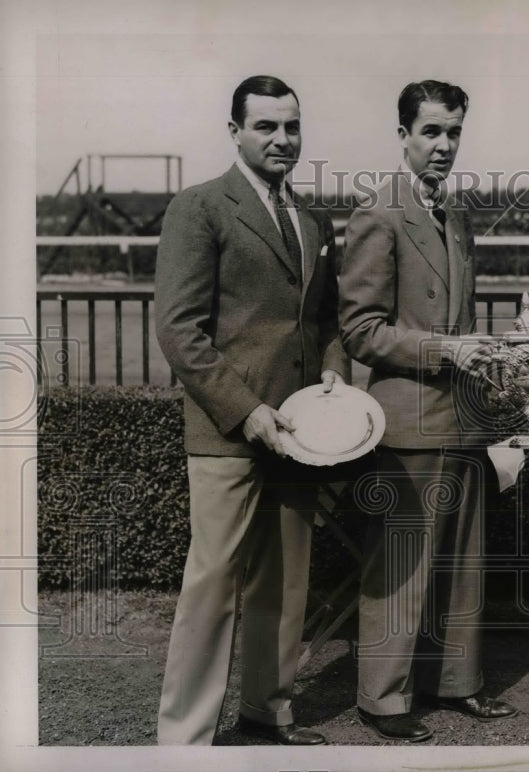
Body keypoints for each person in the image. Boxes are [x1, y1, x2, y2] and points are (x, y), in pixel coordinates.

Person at [155, 75, 349, 745]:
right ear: (234, 130)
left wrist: (332, 378)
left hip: (299, 433)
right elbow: (180, 331)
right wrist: (247, 411)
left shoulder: (309, 219)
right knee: (211, 587)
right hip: (228, 434)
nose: (283, 139)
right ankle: (185, 740)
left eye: (292, 126)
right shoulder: (200, 207)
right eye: (266, 126)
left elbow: (325, 322)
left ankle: (268, 714)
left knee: (285, 584)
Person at [338, 79, 518, 743]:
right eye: (432, 132)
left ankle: (457, 683)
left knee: (464, 562)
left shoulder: (457, 213)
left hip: (463, 418)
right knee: (402, 566)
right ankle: (382, 698)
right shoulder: (377, 213)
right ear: (404, 136)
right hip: (408, 419)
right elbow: (360, 329)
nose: (443, 146)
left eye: (453, 133)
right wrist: (445, 349)